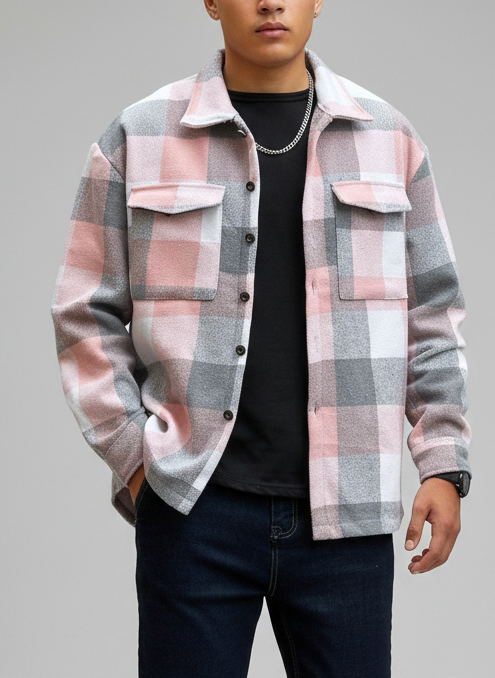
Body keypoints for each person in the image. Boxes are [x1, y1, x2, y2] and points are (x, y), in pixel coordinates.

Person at [50, 0, 473, 676]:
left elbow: (433, 315)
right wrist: (137, 459)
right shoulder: (139, 136)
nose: (270, 2)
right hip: (195, 510)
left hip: (348, 514)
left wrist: (443, 463)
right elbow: (84, 311)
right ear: (212, 2)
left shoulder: (389, 138)